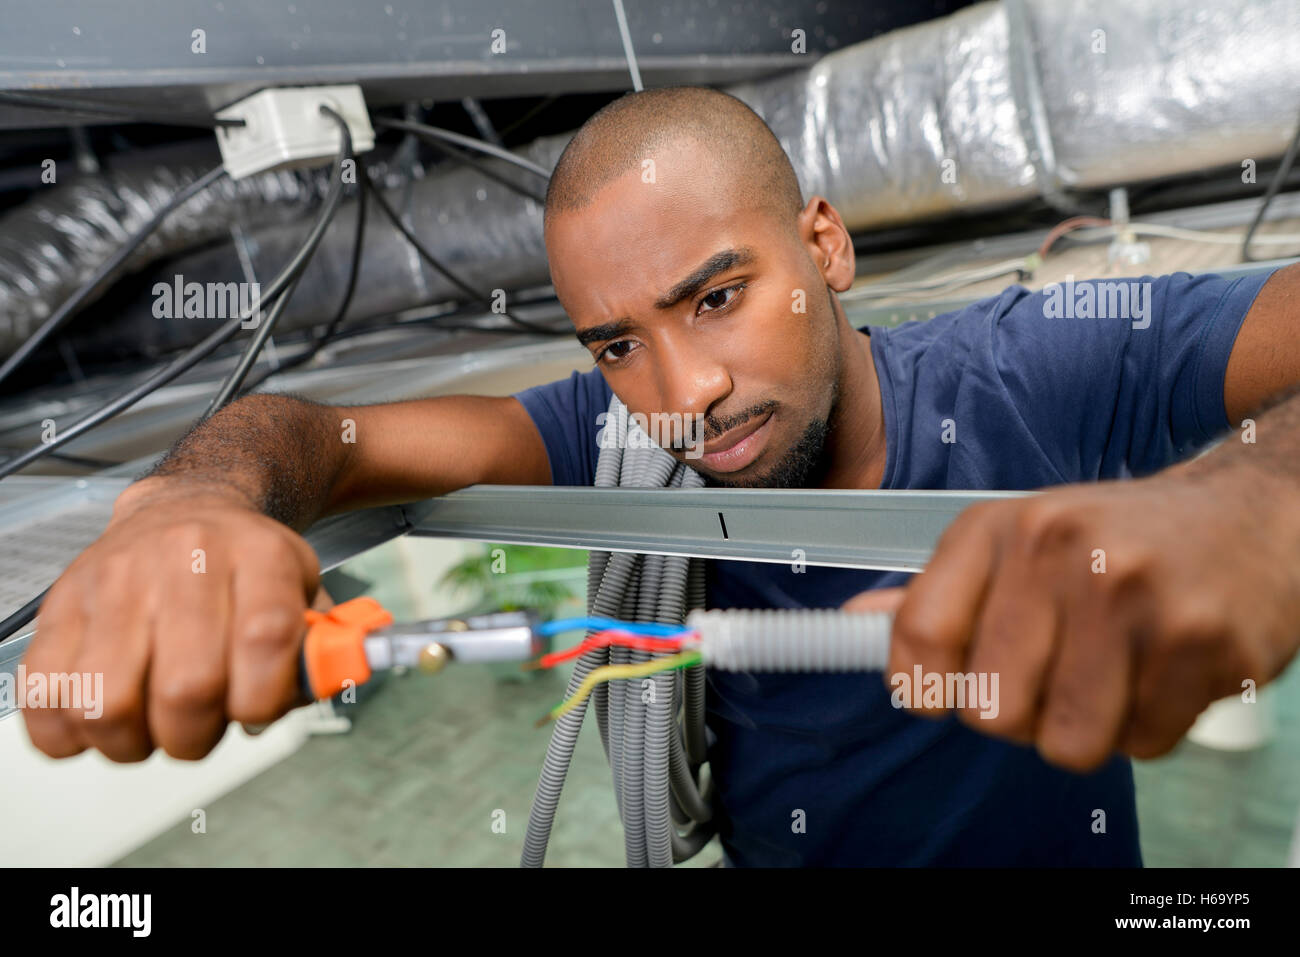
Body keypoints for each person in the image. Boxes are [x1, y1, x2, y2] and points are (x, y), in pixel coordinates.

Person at [23, 87, 1300, 866]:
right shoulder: (611, 429)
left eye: (720, 296)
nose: (680, 394)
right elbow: (318, 437)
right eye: (619, 343)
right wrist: (186, 505)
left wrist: (1252, 497)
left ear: (825, 245)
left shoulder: (1027, 373)